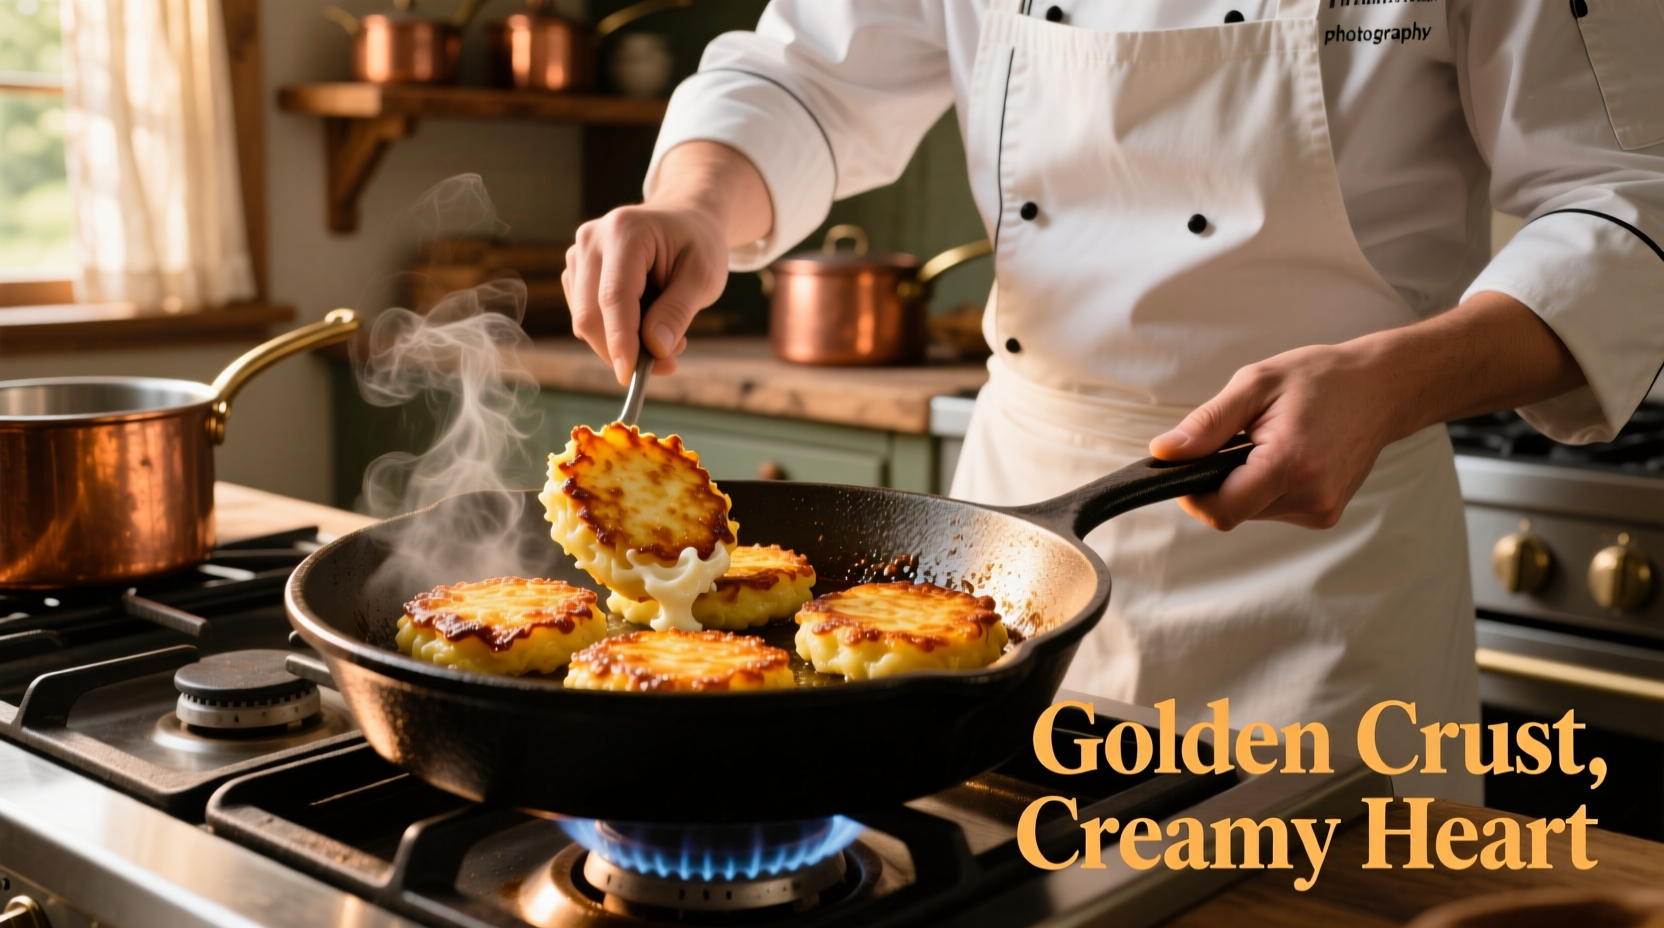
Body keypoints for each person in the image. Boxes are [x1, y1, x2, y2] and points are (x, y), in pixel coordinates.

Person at [561, 1, 1664, 799]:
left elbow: (1623, 199)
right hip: (1005, 556)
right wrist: (697, 208)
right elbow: (805, 74)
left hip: (1323, 561)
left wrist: (1391, 381)